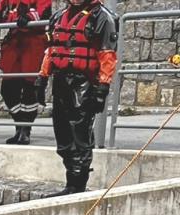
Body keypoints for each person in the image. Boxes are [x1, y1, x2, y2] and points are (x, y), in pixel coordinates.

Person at [41, 0, 117, 195]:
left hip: (84, 81)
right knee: (63, 136)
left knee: (80, 135)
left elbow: (107, 55)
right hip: (61, 80)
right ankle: (71, 184)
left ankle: (77, 185)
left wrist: (102, 88)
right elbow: (51, 50)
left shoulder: (101, 17)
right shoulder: (58, 17)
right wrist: (42, 78)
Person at [0, 0, 53, 145]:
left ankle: (25, 130)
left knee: (30, 90)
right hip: (14, 45)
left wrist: (29, 18)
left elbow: (43, 12)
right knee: (7, 90)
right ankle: (20, 124)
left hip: (33, 44)